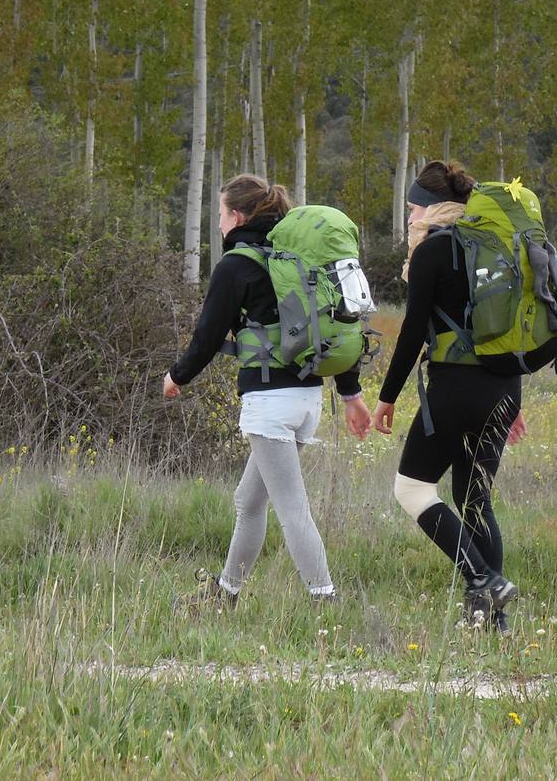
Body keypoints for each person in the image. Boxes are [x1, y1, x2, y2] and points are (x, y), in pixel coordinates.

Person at [165, 173, 372, 611]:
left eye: (220, 215)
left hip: (268, 402)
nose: (219, 224)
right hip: (306, 398)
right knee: (249, 500)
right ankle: (226, 595)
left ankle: (325, 600)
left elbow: (207, 335)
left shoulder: (236, 265)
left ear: (236, 216)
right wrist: (351, 394)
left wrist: (177, 377)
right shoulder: (292, 259)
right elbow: (333, 323)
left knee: (292, 508)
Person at [370, 160, 533, 631]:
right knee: (475, 498)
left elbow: (413, 332)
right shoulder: (498, 246)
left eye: (410, 209)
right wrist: (513, 402)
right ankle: (491, 620)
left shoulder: (432, 252)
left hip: (454, 388)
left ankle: (484, 579)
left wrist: (387, 397)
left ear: (429, 208)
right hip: (504, 387)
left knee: (412, 488)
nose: (407, 218)